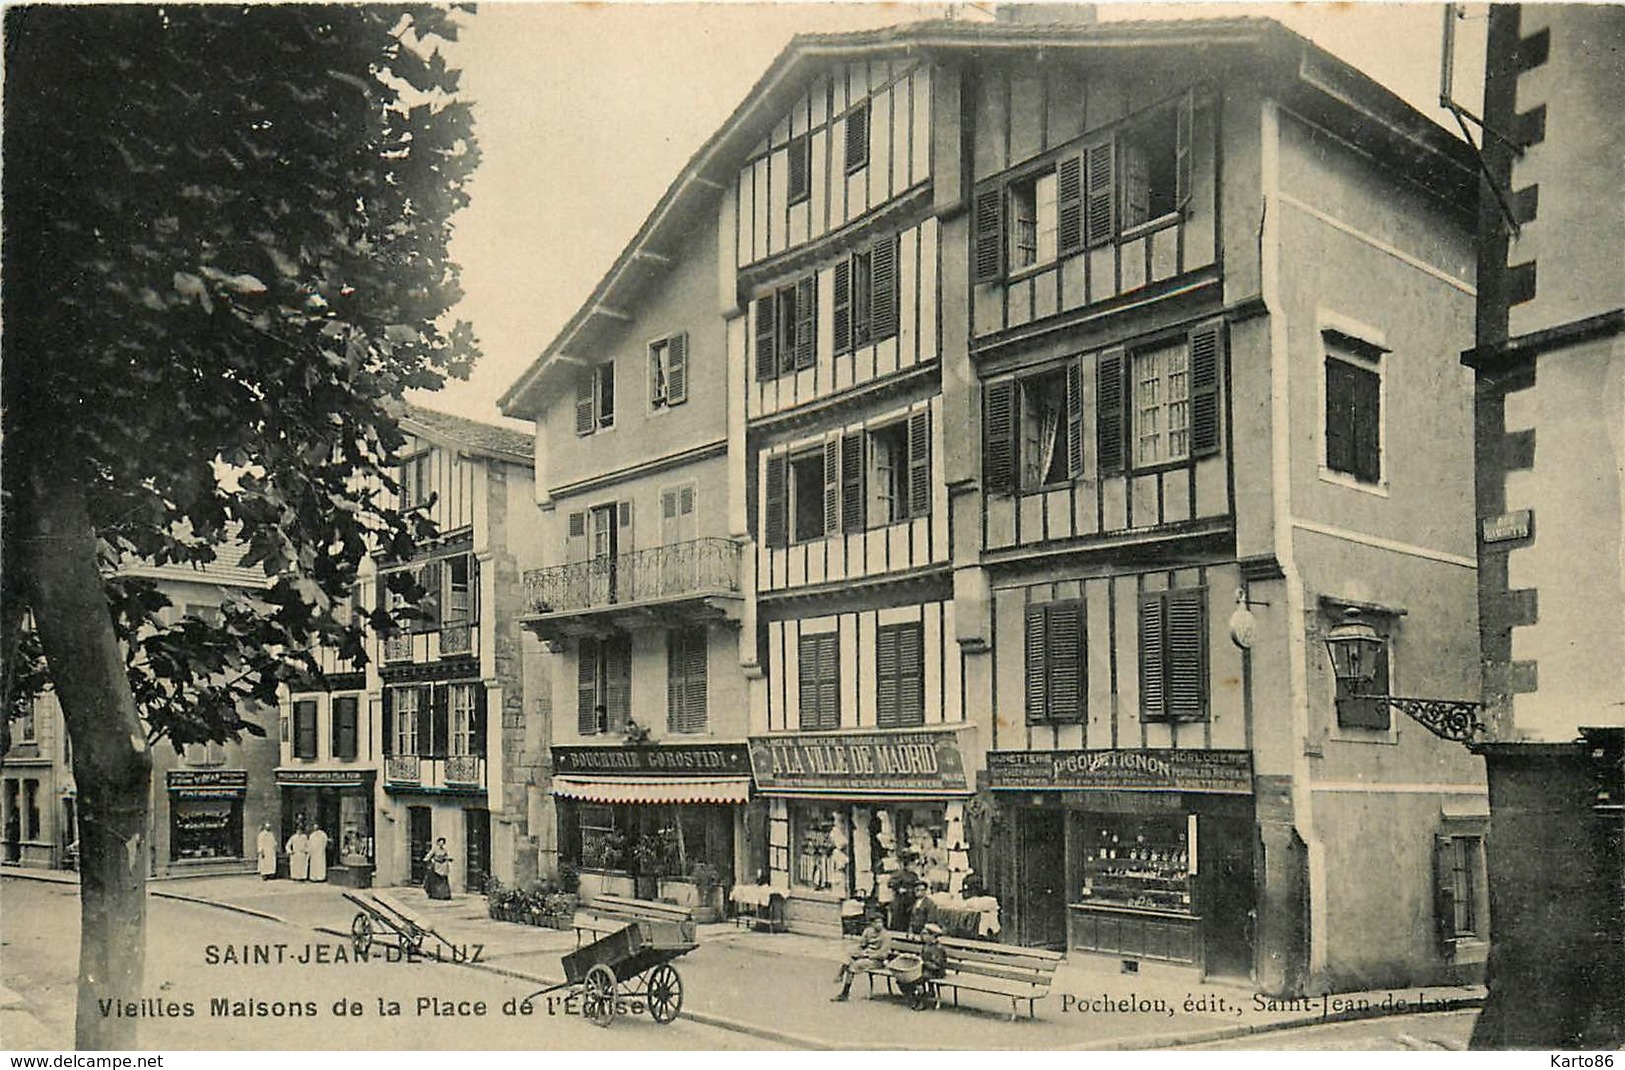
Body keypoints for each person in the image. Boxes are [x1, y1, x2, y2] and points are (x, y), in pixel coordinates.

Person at [831, 912, 891, 1001]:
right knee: (848, 956)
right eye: (876, 922)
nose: (878, 924)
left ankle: (845, 993)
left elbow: (883, 954)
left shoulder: (886, 935)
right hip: (866, 956)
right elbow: (862, 945)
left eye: (880, 922)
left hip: (876, 961)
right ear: (872, 924)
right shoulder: (868, 931)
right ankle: (840, 974)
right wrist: (856, 952)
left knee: (855, 965)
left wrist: (867, 955)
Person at [903, 923, 949, 1010]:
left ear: (933, 936)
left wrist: (924, 963)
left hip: (936, 972)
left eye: (925, 934)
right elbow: (922, 958)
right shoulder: (926, 946)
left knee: (918, 978)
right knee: (907, 977)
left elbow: (938, 965)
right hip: (926, 970)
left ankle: (922, 1001)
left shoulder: (938, 948)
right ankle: (913, 997)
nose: (923, 937)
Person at [887, 855, 923, 932]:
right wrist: (898, 888)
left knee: (908, 918)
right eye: (911, 864)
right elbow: (890, 883)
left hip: (911, 899)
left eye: (914, 865)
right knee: (898, 918)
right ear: (907, 865)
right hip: (901, 900)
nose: (913, 867)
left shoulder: (914, 875)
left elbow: (917, 884)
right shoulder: (900, 874)